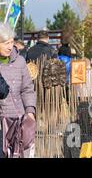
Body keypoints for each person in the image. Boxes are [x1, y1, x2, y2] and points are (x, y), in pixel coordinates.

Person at [0, 23, 36, 158]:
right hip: (2, 123)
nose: (10, 46)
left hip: (20, 120)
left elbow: (27, 89)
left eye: (11, 42)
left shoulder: (20, 61)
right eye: (5, 43)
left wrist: (30, 111)